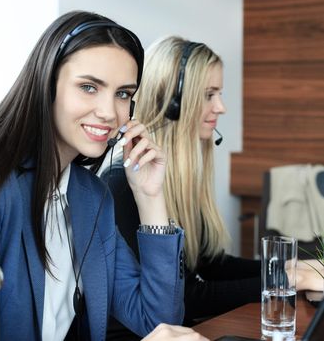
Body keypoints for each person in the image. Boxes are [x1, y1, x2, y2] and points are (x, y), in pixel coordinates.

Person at [0, 11, 187, 341]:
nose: (109, 111)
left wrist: (150, 197)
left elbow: (159, 322)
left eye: (123, 94)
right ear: (47, 86)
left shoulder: (91, 196)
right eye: (89, 87)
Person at [101, 35, 324, 339]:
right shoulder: (123, 181)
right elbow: (186, 297)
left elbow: (210, 262)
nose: (221, 107)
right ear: (174, 101)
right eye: (209, 94)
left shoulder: (180, 174)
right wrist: (285, 278)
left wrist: (295, 266)